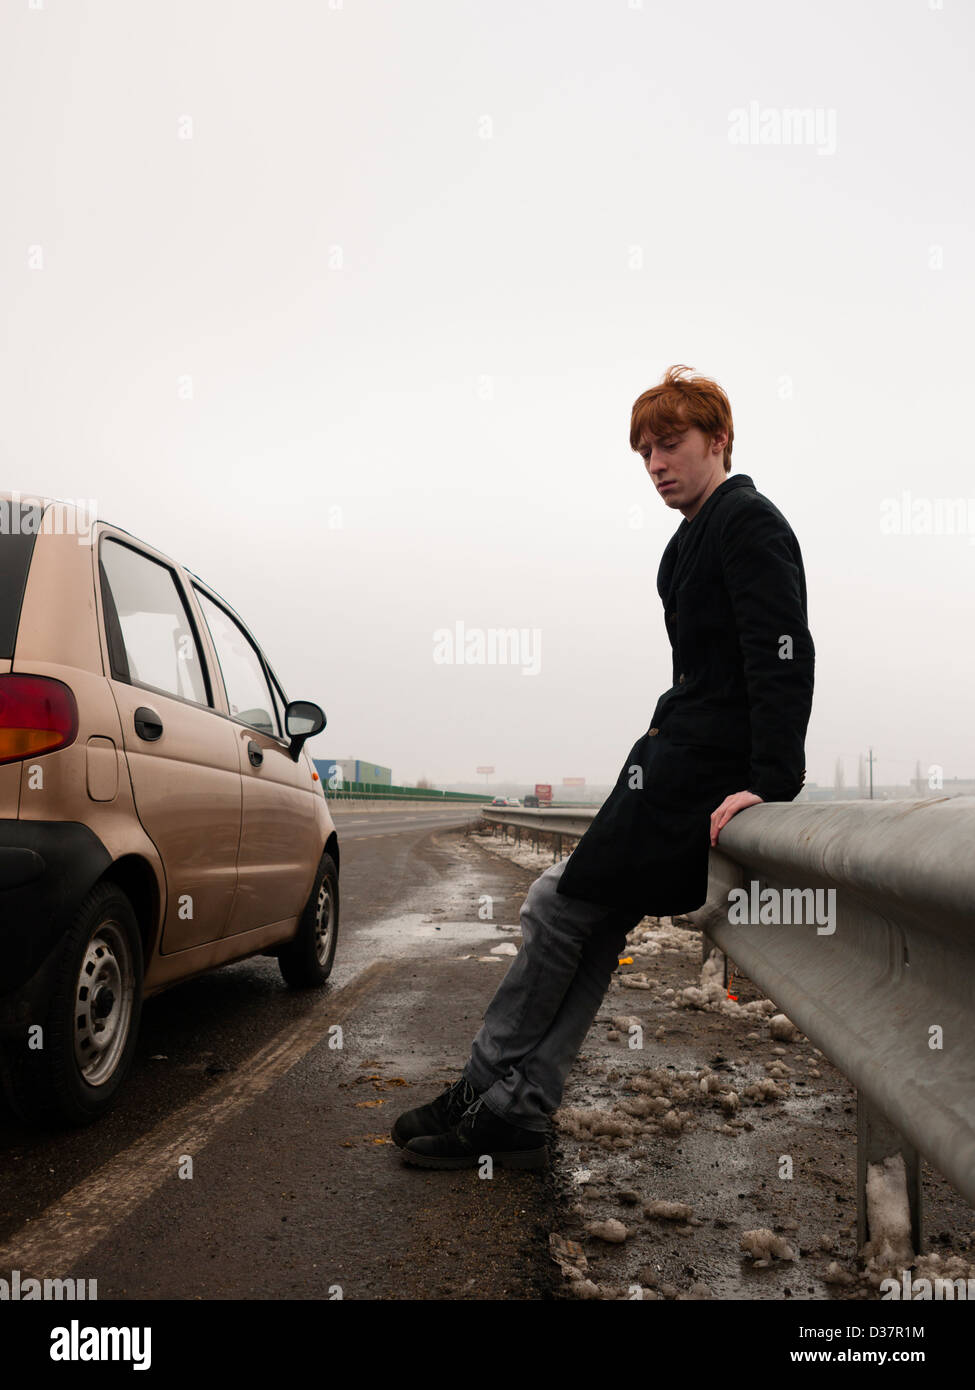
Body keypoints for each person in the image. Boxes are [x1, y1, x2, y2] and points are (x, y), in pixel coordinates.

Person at [392, 364, 815, 1170]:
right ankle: (516, 1109)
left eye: (671, 444)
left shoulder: (747, 522)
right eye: (644, 451)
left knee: (560, 904)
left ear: (717, 440)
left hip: (699, 774)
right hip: (668, 761)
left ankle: (486, 1087)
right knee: (585, 918)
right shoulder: (683, 543)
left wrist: (770, 781)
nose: (656, 463)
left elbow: (781, 655)